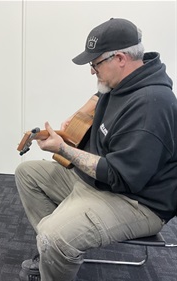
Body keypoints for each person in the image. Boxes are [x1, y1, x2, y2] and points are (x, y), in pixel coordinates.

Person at [16, 18, 177, 281]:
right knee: (27, 173)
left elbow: (121, 175)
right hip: (97, 181)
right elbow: (100, 96)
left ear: (121, 58)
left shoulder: (151, 105)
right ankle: (55, 253)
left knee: (53, 236)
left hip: (136, 200)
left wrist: (63, 149)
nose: (92, 71)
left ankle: (55, 247)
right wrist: (79, 117)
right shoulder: (121, 82)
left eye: (96, 63)